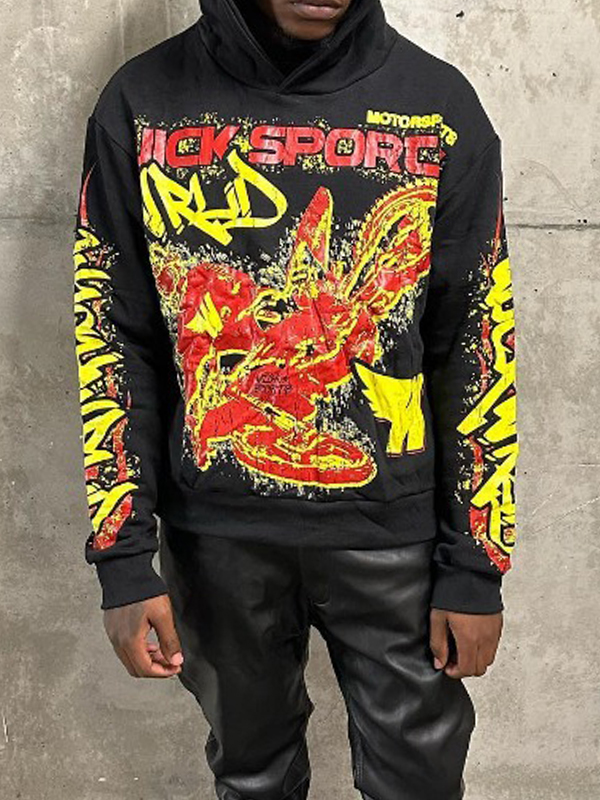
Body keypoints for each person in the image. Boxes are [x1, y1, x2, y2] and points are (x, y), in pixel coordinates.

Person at [71, 1, 520, 798]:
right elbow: (114, 336)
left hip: (396, 538)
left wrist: (477, 566)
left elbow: (475, 344)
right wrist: (123, 560)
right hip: (217, 536)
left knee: (418, 781)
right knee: (253, 778)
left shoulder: (437, 105)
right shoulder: (143, 102)